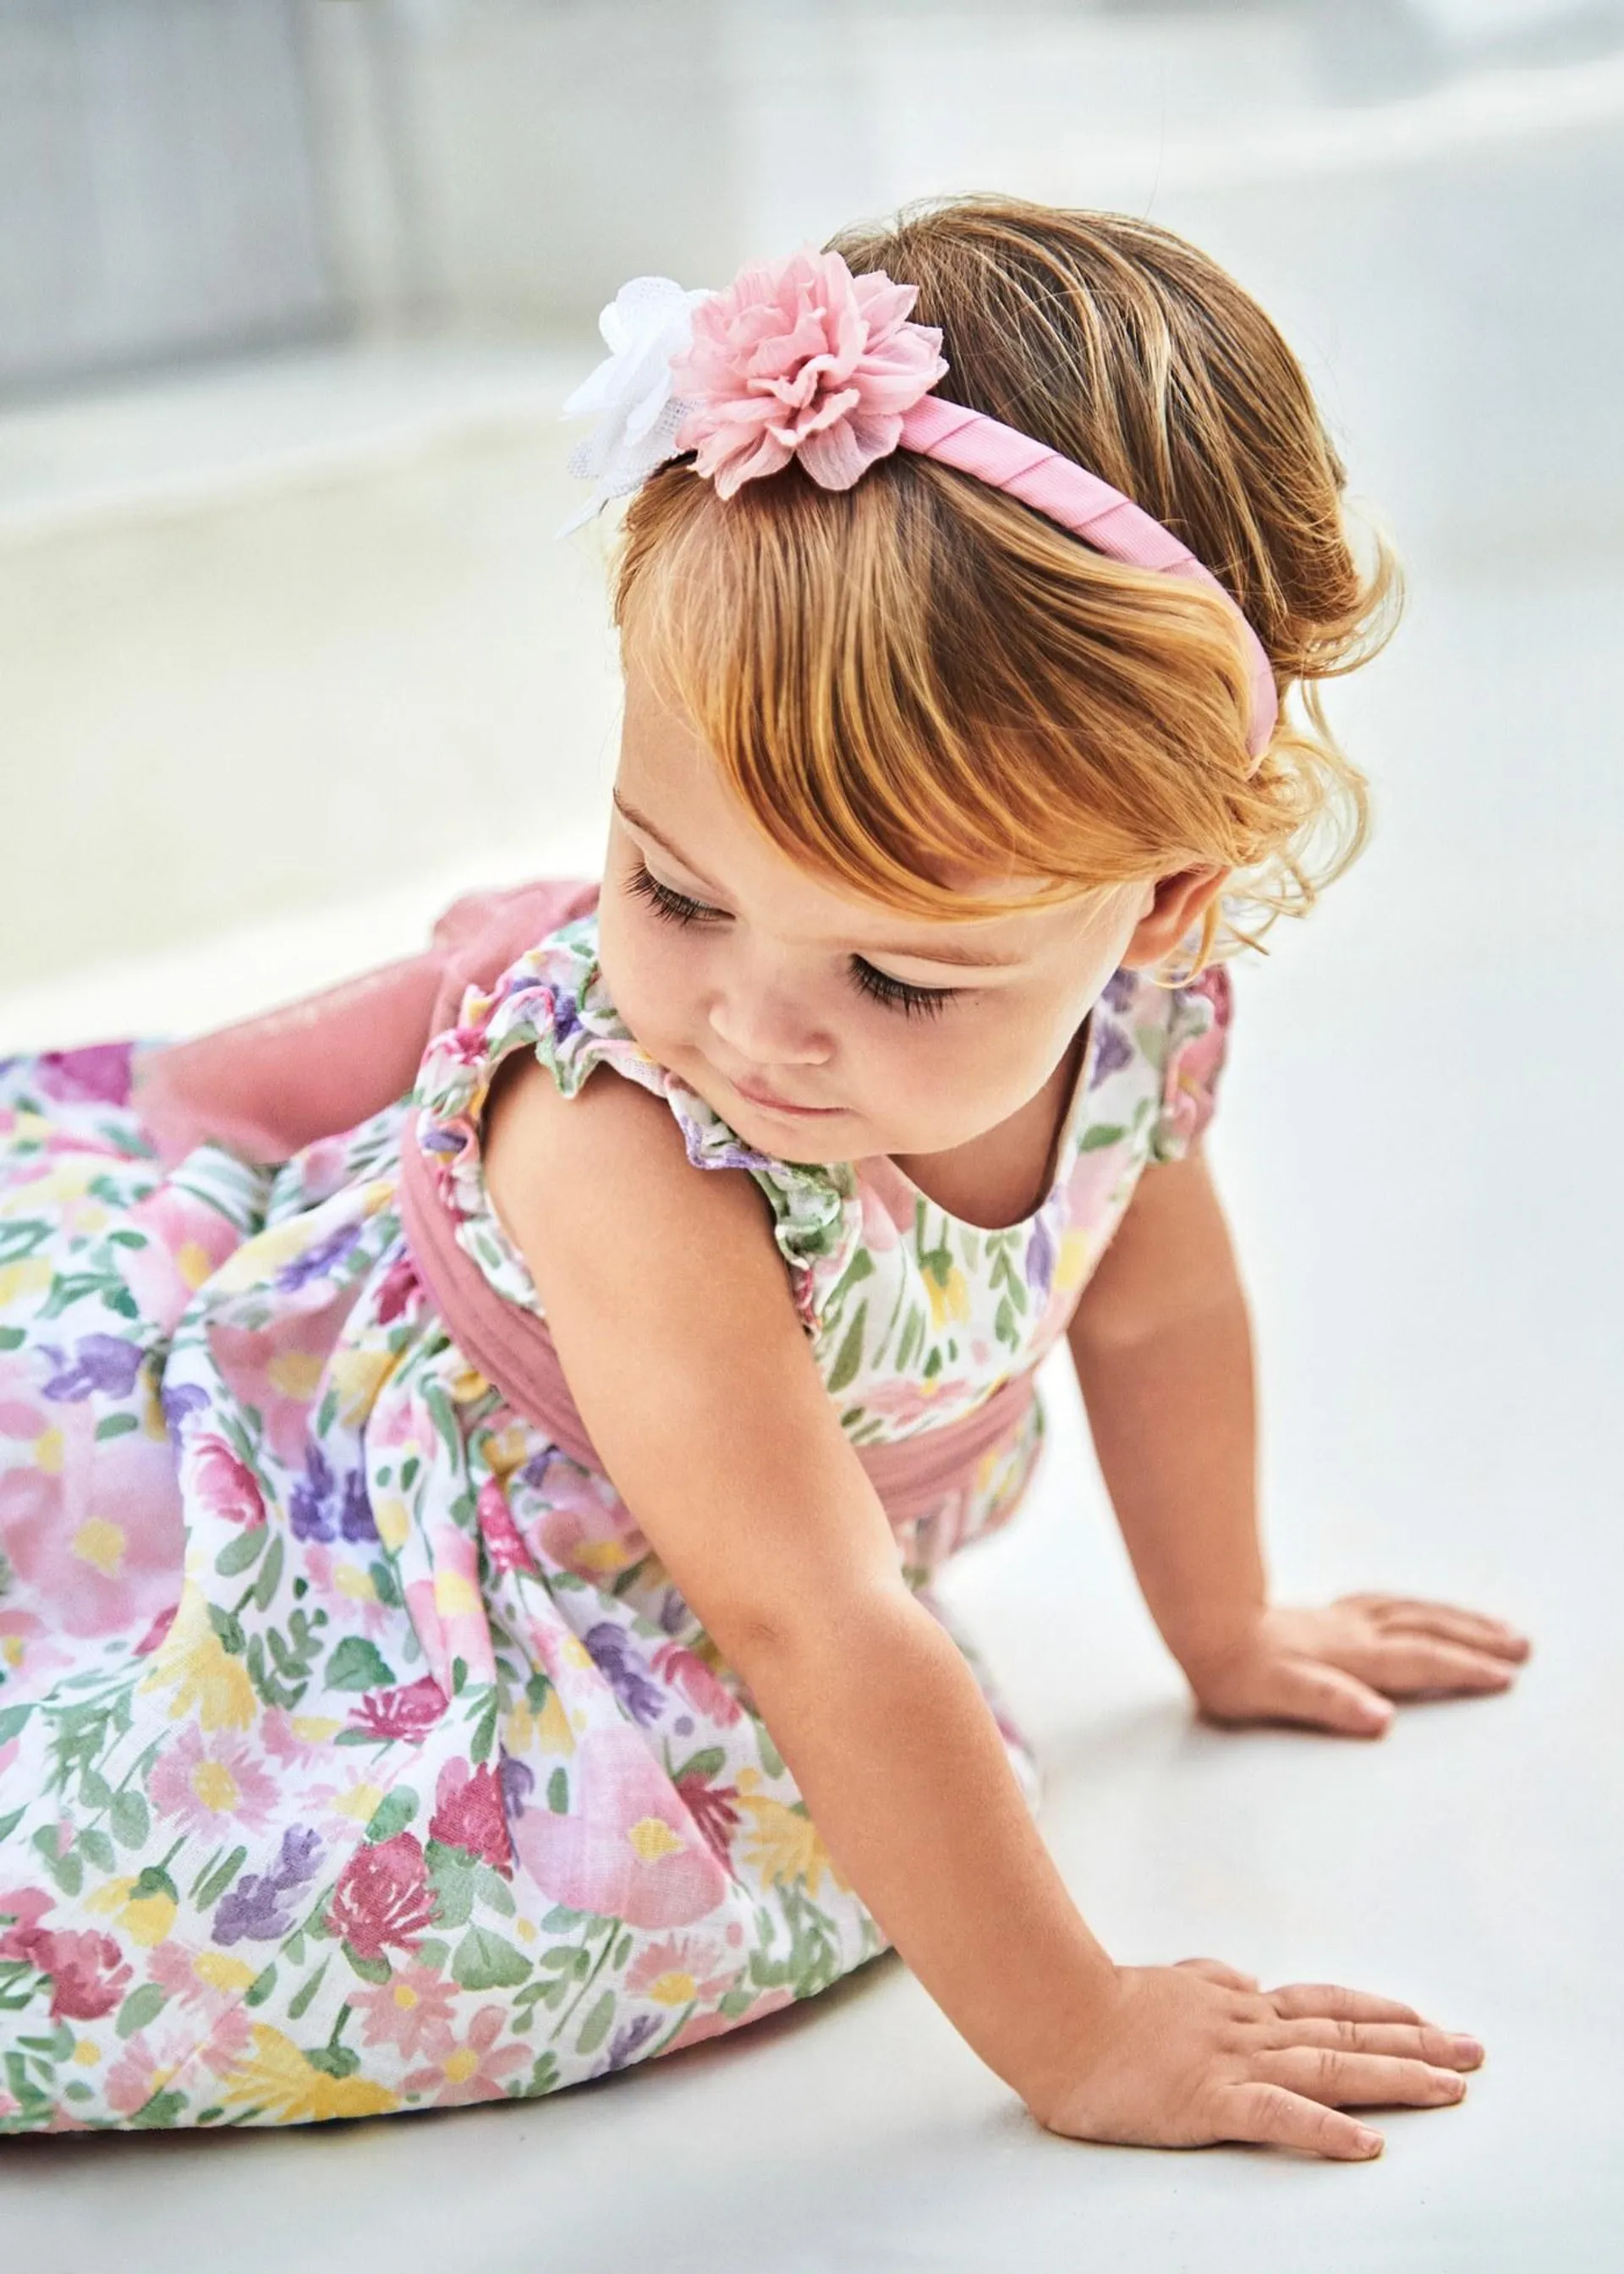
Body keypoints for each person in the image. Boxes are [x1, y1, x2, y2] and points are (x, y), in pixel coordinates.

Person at [0, 195, 1529, 2151]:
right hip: (420, 1571)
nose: (751, 1025)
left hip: (741, 1555)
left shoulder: (1136, 1035)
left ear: (1161, 907)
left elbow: (1162, 1313)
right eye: (672, 887)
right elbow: (812, 1614)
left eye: (897, 971)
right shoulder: (634, 1132)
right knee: (288, 1911)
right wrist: (1081, 2034)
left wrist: (1226, 1632)